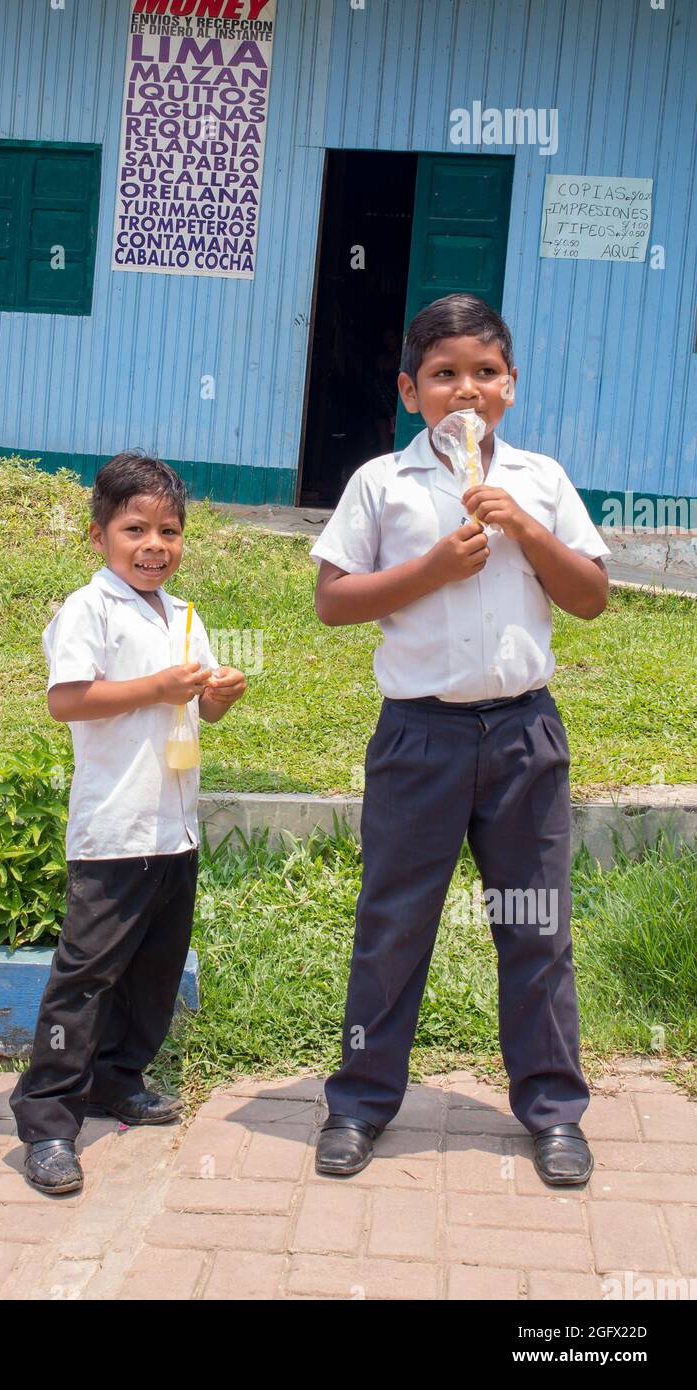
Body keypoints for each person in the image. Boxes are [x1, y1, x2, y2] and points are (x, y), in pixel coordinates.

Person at [309, 293, 611, 1187]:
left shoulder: (542, 479)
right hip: (419, 738)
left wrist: (520, 523)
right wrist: (431, 567)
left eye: (484, 373)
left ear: (509, 386)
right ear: (411, 391)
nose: (464, 391)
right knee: (394, 923)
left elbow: (590, 597)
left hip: (521, 735)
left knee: (534, 925)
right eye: (443, 375)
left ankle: (553, 1110)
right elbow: (332, 601)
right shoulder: (380, 483)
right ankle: (359, 1103)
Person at [10, 451, 247, 1194]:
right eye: (134, 529)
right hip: (113, 830)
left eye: (169, 531)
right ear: (99, 536)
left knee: (153, 967)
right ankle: (47, 1116)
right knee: (85, 976)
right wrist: (153, 687)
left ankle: (117, 1079)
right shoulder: (87, 610)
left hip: (171, 828)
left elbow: (197, 702)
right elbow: (68, 700)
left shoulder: (182, 615)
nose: (154, 545)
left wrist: (218, 695)